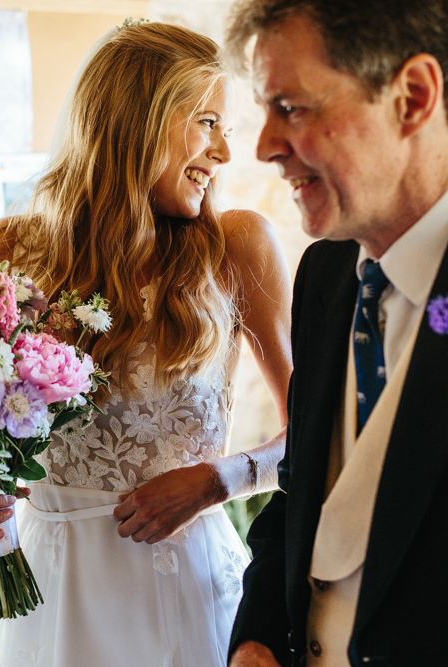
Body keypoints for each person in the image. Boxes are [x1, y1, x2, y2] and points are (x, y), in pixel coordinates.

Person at [0, 21, 292, 667]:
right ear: (137, 123)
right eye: (206, 122)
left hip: (185, 583)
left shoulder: (236, 247)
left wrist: (216, 480)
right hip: (54, 593)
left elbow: (314, 432)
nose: (222, 153)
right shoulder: (6, 252)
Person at [224, 1, 448, 665]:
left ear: (410, 97)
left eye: (290, 107)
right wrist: (257, 633)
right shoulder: (325, 274)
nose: (263, 145)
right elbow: (301, 494)